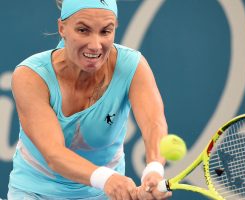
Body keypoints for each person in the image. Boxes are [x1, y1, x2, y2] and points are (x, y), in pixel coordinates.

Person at [8, 0, 172, 199]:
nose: (95, 45)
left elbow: (154, 123)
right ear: (62, 28)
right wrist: (107, 179)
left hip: (103, 194)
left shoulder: (132, 66)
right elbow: (54, 154)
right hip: (35, 192)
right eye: (83, 30)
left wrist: (153, 169)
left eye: (105, 31)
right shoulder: (30, 76)